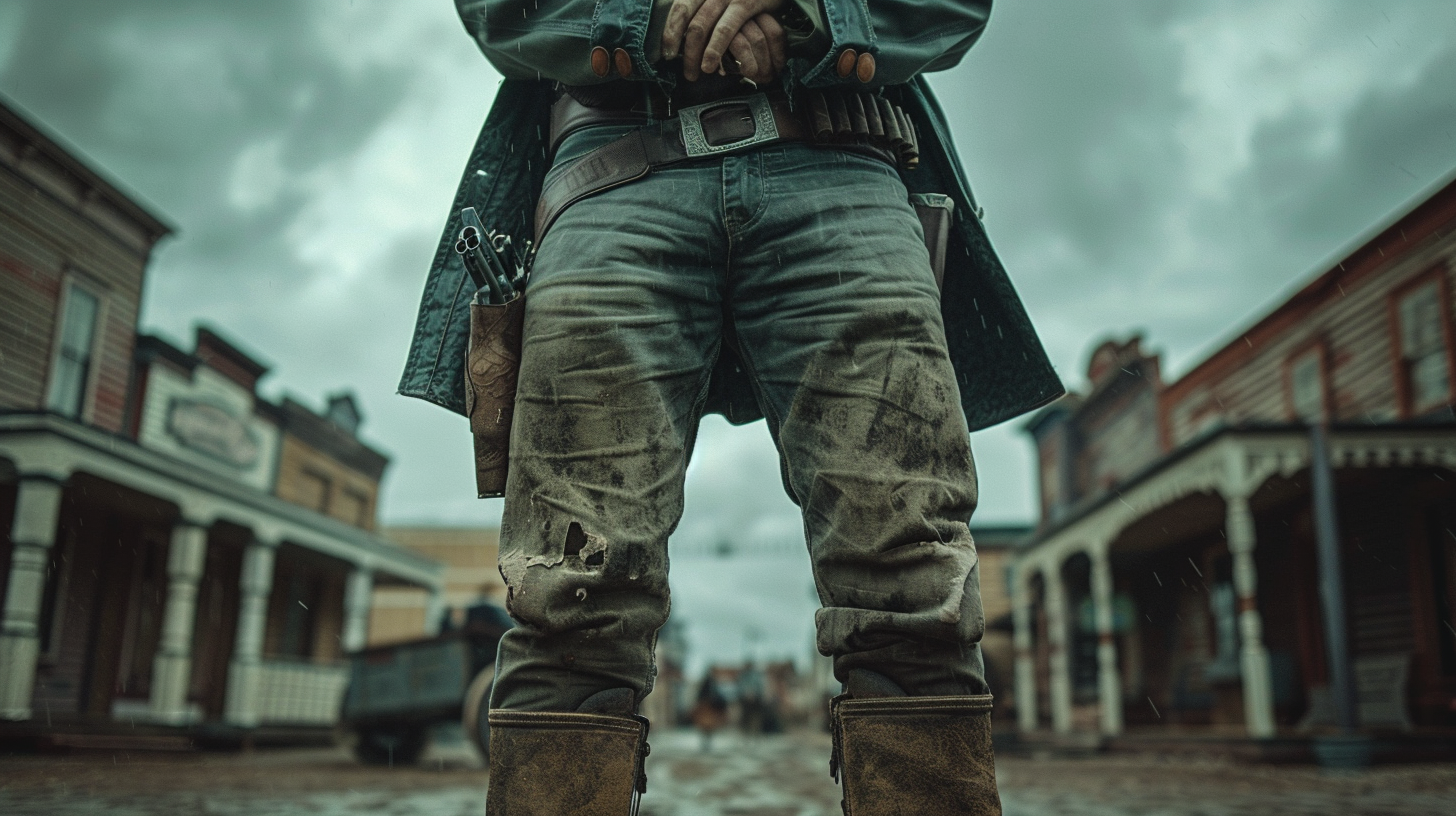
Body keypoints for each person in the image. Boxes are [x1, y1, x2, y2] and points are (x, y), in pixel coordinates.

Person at [398, 1, 1063, 813]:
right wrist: (652, 14)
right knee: (572, 592)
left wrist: (809, 11)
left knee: (910, 586)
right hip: (616, 164)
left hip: (834, 153)